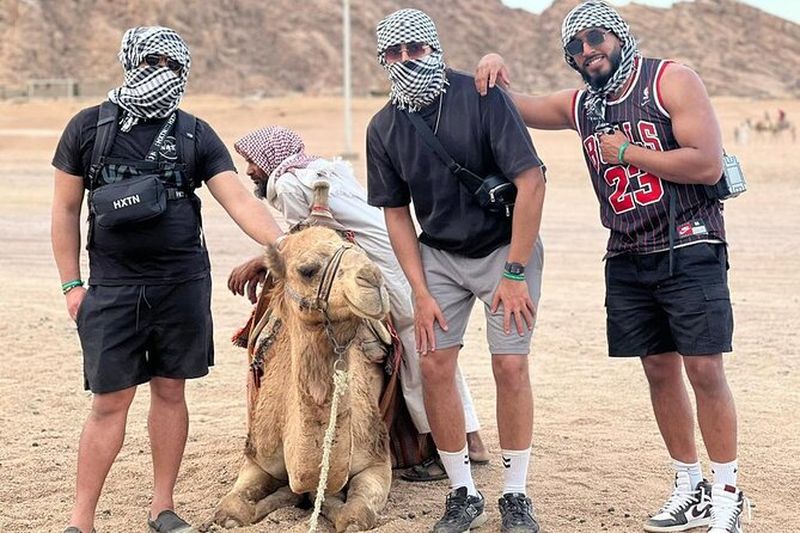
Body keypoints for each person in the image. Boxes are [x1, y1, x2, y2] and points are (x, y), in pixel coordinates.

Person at [474, 1, 748, 532]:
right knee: (659, 370)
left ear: (618, 35)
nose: (587, 51)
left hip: (689, 243)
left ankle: (728, 494)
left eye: (595, 38)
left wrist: (628, 154)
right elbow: (516, 105)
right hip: (626, 250)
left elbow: (706, 162)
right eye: (575, 47)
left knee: (705, 369)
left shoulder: (669, 80)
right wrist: (492, 65)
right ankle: (690, 486)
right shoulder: (582, 105)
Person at [51, 26, 282, 533]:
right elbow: (65, 210)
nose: (161, 73)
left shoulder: (195, 133)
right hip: (112, 289)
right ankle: (80, 520)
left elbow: (238, 200)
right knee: (109, 402)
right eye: (151, 62)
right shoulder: (88, 127)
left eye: (172, 66)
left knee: (171, 391)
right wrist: (72, 286)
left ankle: (163, 507)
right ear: (129, 62)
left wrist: (286, 244)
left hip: (182, 285)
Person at [367, 9, 547, 533]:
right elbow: (396, 214)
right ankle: (463, 492)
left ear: (435, 47)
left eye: (416, 49)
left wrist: (515, 272)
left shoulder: (482, 96)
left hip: (504, 249)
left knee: (509, 365)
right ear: (383, 59)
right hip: (439, 256)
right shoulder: (383, 126)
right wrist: (419, 291)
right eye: (394, 53)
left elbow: (532, 183)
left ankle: (515, 494)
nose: (406, 61)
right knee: (434, 365)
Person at [227, 125, 490, 479]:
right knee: (429, 350)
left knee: (414, 354)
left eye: (252, 162)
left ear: (269, 158)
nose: (249, 170)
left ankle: (445, 451)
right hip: (401, 259)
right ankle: (472, 439)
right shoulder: (319, 171)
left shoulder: (288, 184)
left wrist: (261, 261)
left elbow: (310, 246)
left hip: (382, 269)